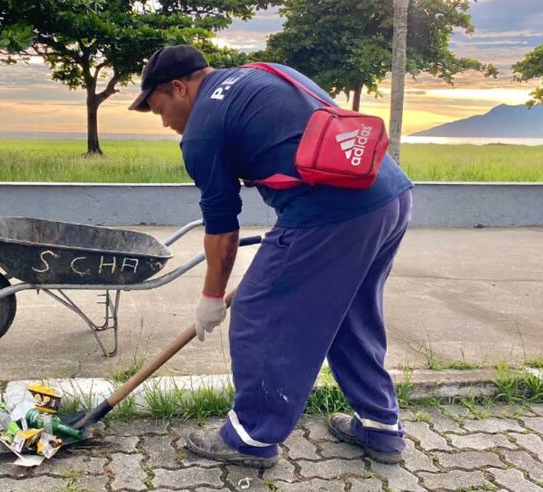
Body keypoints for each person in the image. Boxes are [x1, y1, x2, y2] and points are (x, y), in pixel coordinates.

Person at [129, 44, 414, 469]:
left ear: (179, 87)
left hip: (330, 212)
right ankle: (379, 426)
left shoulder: (202, 130)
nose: (166, 122)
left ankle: (250, 437)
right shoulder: (265, 71)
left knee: (259, 313)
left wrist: (211, 298)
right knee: (349, 314)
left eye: (160, 109)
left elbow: (222, 228)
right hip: (389, 194)